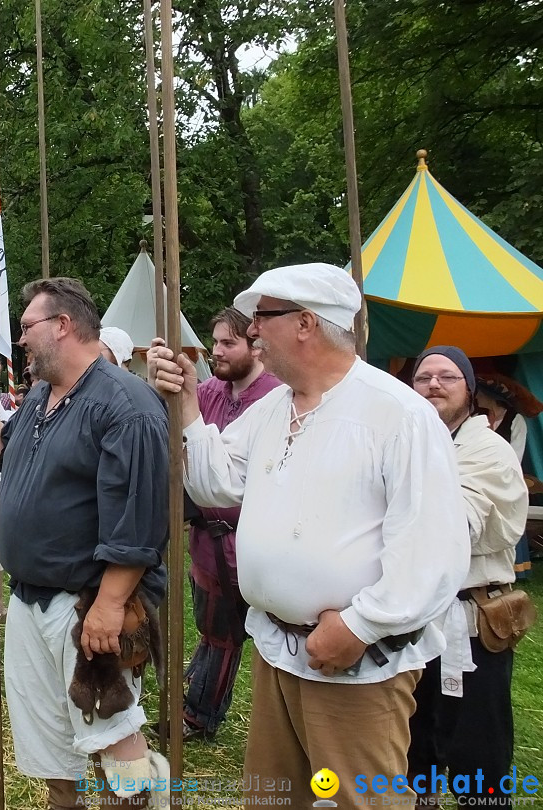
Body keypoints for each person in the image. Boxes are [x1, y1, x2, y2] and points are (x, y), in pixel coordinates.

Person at [148, 262, 469, 808]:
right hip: (277, 651)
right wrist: (186, 407)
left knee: (358, 803)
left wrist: (361, 625)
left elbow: (433, 550)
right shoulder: (274, 407)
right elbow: (215, 483)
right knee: (274, 800)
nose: (251, 332)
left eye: (260, 318)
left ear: (305, 323)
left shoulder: (399, 415)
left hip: (355, 666)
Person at [0, 278, 170, 809]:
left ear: (62, 325)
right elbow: (6, 458)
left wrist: (108, 605)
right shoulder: (40, 396)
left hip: (87, 603)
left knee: (112, 734)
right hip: (30, 598)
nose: (20, 339)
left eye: (26, 326)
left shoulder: (126, 403)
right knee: (50, 744)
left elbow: (140, 517)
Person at [407, 347, 528, 806]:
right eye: (423, 377)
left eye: (447, 377)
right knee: (419, 727)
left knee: (477, 740)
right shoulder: (415, 441)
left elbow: (454, 525)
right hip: (420, 611)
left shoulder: (487, 449)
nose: (433, 384)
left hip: (473, 617)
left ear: (469, 390)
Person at [170, 307, 280, 742]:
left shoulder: (276, 398)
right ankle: (199, 698)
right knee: (211, 626)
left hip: (247, 541)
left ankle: (199, 715)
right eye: (214, 342)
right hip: (204, 539)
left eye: (228, 342)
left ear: (255, 346)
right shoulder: (208, 391)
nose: (216, 351)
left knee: (226, 634)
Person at [476, 375, 533, 580]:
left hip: (505, 478)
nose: (476, 397)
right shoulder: (477, 418)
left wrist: (495, 471)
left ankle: (518, 566)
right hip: (481, 477)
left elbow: (515, 454)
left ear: (490, 396)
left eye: (480, 393)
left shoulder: (515, 420)